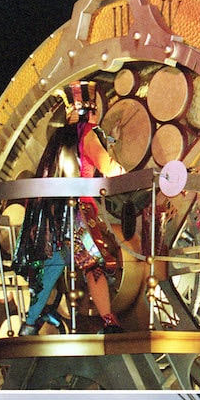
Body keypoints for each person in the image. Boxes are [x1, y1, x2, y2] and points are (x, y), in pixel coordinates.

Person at [13, 79, 126, 335]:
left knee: (52, 267)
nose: (97, 114)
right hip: (76, 213)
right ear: (88, 109)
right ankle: (109, 321)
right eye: (95, 108)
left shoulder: (58, 138)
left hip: (52, 215)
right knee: (93, 264)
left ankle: (30, 324)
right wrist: (124, 171)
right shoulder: (87, 133)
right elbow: (107, 167)